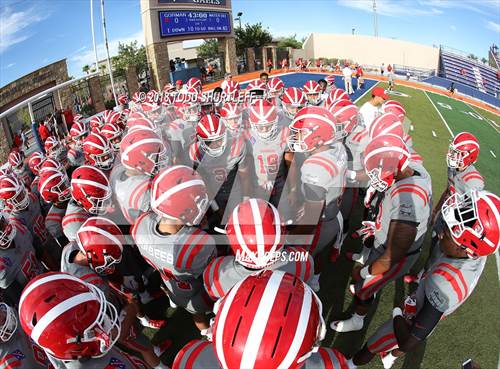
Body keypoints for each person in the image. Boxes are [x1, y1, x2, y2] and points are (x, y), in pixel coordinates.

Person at [347, 189, 499, 369]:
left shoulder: (444, 284)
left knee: (372, 345)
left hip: (415, 316)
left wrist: (397, 312)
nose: (442, 232)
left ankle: (350, 364)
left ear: (466, 248)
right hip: (433, 300)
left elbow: (407, 342)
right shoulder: (476, 252)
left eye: (450, 232)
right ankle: (389, 358)